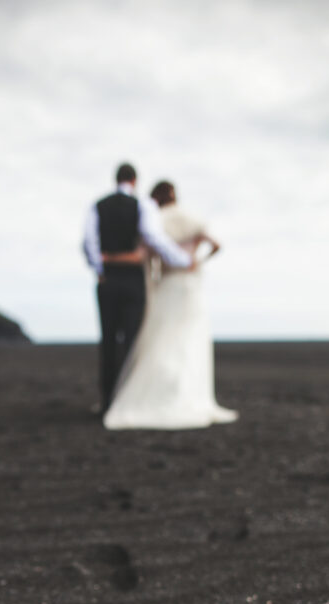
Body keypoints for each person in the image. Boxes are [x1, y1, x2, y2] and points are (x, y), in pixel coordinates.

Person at [102, 180, 238, 430]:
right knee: (190, 342)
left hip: (167, 285)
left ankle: (161, 392)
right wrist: (200, 261)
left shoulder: (157, 222)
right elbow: (216, 244)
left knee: (161, 342)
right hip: (190, 285)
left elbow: (145, 257)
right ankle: (189, 394)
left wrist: (113, 260)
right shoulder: (192, 218)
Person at [83, 163, 194, 414]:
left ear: (116, 179)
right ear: (134, 181)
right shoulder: (143, 205)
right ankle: (127, 399)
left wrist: (101, 268)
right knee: (132, 341)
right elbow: (154, 238)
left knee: (108, 340)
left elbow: (89, 242)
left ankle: (107, 400)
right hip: (133, 282)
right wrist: (183, 260)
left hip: (107, 282)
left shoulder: (98, 206)